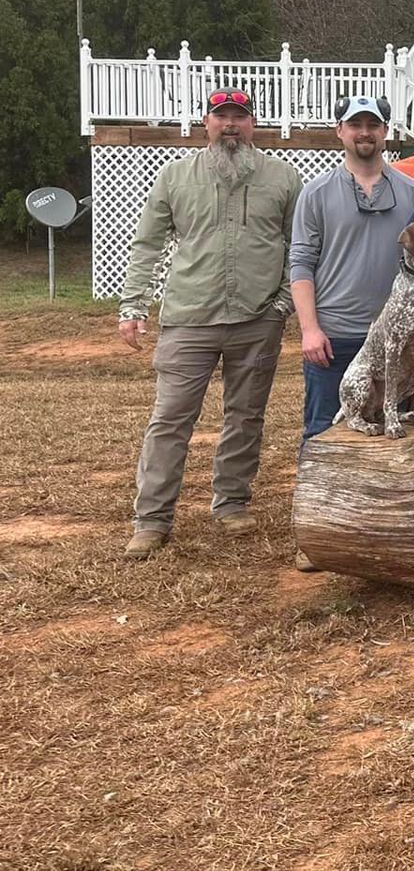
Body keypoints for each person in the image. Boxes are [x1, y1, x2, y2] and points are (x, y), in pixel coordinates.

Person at [118, 88, 304, 559]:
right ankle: (153, 520)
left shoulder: (283, 179)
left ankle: (232, 503)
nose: (230, 125)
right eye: (222, 117)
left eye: (240, 116)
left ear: (253, 123)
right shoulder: (175, 177)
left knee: (245, 416)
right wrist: (133, 306)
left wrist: (282, 304)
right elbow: (147, 245)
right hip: (189, 317)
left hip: (257, 318)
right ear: (207, 122)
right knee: (170, 419)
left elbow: (298, 245)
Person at [289, 95, 414, 442]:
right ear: (340, 131)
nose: (364, 133)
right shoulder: (315, 193)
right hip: (335, 337)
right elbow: (301, 264)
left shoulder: (413, 193)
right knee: (324, 432)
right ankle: (317, 499)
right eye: (355, 125)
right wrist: (310, 330)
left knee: (392, 436)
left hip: (395, 340)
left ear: (385, 131)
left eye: (372, 125)